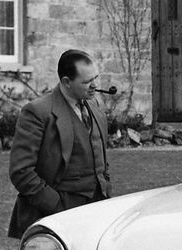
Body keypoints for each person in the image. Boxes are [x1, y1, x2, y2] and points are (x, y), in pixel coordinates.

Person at [7, 49, 111, 239]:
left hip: (97, 210)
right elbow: (21, 172)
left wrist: (105, 188)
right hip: (57, 213)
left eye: (95, 78)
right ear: (66, 82)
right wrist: (55, 205)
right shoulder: (38, 112)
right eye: (87, 82)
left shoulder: (94, 108)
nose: (94, 86)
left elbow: (101, 160)